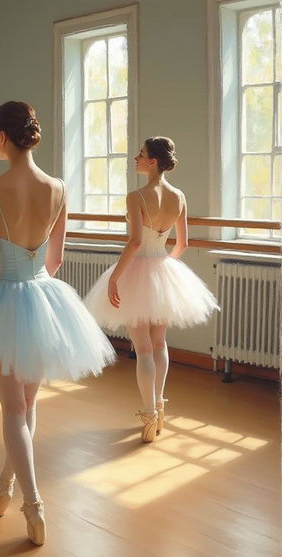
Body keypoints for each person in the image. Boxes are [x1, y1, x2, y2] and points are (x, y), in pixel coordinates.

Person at [0, 101, 115, 545]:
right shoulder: (58, 187)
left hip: (3, 295)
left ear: (1, 136)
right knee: (27, 408)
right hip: (43, 294)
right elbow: (57, 258)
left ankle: (33, 505)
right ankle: (5, 484)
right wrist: (36, 293)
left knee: (13, 409)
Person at [85, 137, 218, 442]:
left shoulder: (136, 196)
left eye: (141, 154)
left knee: (143, 348)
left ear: (153, 161)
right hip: (162, 268)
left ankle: (147, 414)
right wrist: (163, 269)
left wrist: (115, 278)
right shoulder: (179, 196)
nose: (136, 158)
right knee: (159, 344)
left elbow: (134, 243)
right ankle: (159, 407)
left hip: (136, 270)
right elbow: (183, 243)